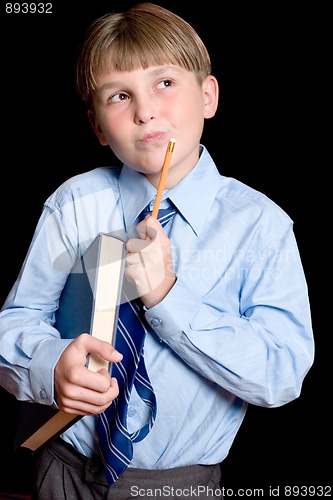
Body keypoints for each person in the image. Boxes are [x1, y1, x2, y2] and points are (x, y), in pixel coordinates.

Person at [0, 2, 314, 499]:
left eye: (164, 83)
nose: (145, 111)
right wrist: (50, 365)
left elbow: (280, 373)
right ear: (99, 127)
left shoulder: (260, 226)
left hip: (180, 486)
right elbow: (17, 321)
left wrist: (167, 296)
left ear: (208, 96)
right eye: (120, 95)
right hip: (64, 469)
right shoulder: (75, 204)